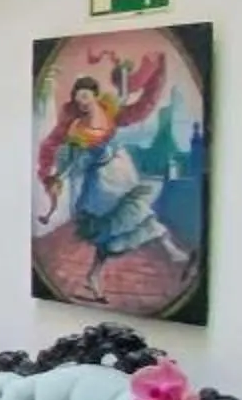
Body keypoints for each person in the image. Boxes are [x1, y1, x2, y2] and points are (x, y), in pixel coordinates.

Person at [35, 53, 191, 302]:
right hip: (100, 183)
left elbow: (139, 108)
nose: (82, 101)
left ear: (94, 95)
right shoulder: (77, 127)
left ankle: (101, 274)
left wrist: (148, 78)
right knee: (119, 224)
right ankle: (168, 253)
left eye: (85, 96)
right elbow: (74, 159)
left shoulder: (111, 111)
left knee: (127, 220)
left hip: (120, 169)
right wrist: (55, 176)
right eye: (78, 98)